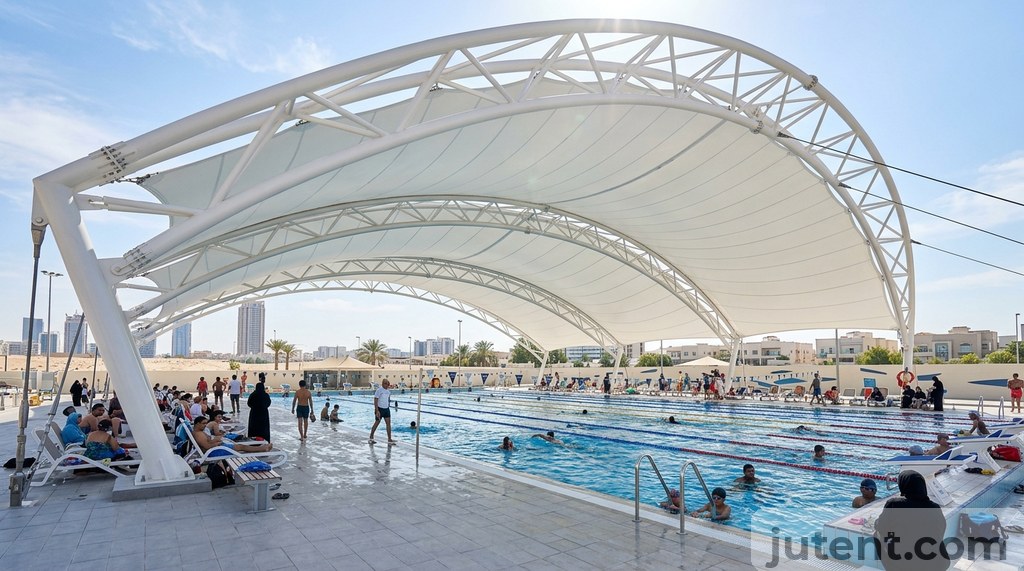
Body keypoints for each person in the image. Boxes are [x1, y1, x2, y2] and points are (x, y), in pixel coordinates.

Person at [874, 470, 951, 571]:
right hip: (938, 563)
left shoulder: (894, 504)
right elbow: (941, 530)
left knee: (877, 535)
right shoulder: (935, 507)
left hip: (904, 565)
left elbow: (881, 527)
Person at [192, 416, 273, 454]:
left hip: (215, 448)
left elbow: (208, 442)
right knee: (241, 447)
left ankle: (261, 448)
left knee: (240, 446)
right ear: (197, 424)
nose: (205, 425)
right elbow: (207, 446)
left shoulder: (199, 432)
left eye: (206, 423)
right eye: (203, 424)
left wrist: (216, 439)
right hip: (214, 451)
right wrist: (218, 443)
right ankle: (262, 449)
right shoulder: (198, 434)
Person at [369, 379, 396, 445]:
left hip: (386, 409)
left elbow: (387, 400)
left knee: (388, 424)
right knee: (377, 423)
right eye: (386, 384)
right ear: (383, 384)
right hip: (380, 409)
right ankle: (371, 437)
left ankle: (389, 439)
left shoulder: (388, 392)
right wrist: (376, 410)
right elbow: (375, 400)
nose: (387, 385)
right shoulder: (379, 390)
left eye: (388, 384)